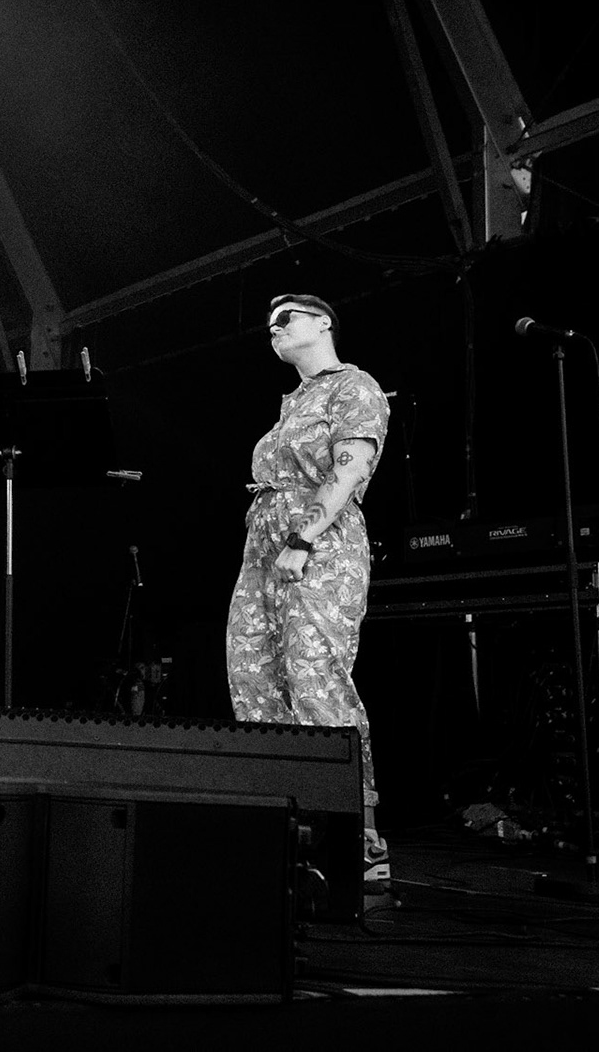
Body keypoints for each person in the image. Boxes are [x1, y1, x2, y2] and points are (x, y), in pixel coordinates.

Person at [225, 295, 391, 891]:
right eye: (268, 322)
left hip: (317, 543)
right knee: (254, 678)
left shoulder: (354, 387)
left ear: (323, 323)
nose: (274, 327)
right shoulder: (290, 404)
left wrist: (302, 538)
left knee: (316, 678)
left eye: (286, 317)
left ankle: (361, 841)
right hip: (264, 543)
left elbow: (347, 471)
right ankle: (283, 828)